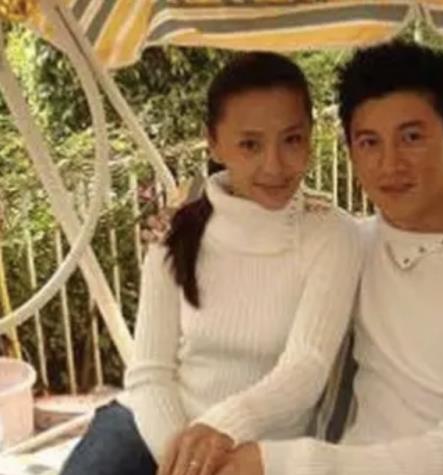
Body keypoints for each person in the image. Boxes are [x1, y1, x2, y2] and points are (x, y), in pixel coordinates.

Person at [219, 41, 443, 475]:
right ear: (351, 153)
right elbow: (253, 262)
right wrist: (189, 225)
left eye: (412, 138)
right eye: (369, 142)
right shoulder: (355, 243)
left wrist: (284, 463)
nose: (390, 164)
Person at [60, 52, 363, 475]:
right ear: (214, 143)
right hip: (154, 426)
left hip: (260, 450)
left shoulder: (332, 235)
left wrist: (218, 432)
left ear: (311, 138)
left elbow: (306, 369)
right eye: (250, 144)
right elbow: (150, 374)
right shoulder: (176, 231)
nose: (274, 165)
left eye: (292, 139)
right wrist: (184, 459)